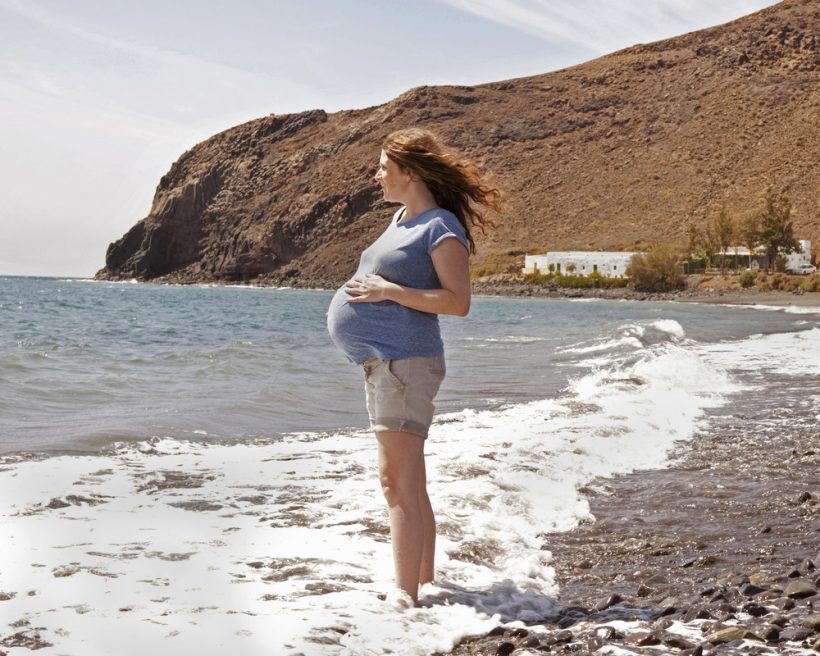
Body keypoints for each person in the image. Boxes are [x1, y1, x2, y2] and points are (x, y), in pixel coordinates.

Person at [326, 127, 501, 603]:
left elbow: (458, 301)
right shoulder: (403, 217)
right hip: (388, 363)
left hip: (404, 363)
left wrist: (390, 293)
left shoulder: (440, 226)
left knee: (396, 483)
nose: (377, 174)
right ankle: (422, 587)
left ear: (409, 171)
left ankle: (403, 602)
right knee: (410, 483)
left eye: (384, 166)